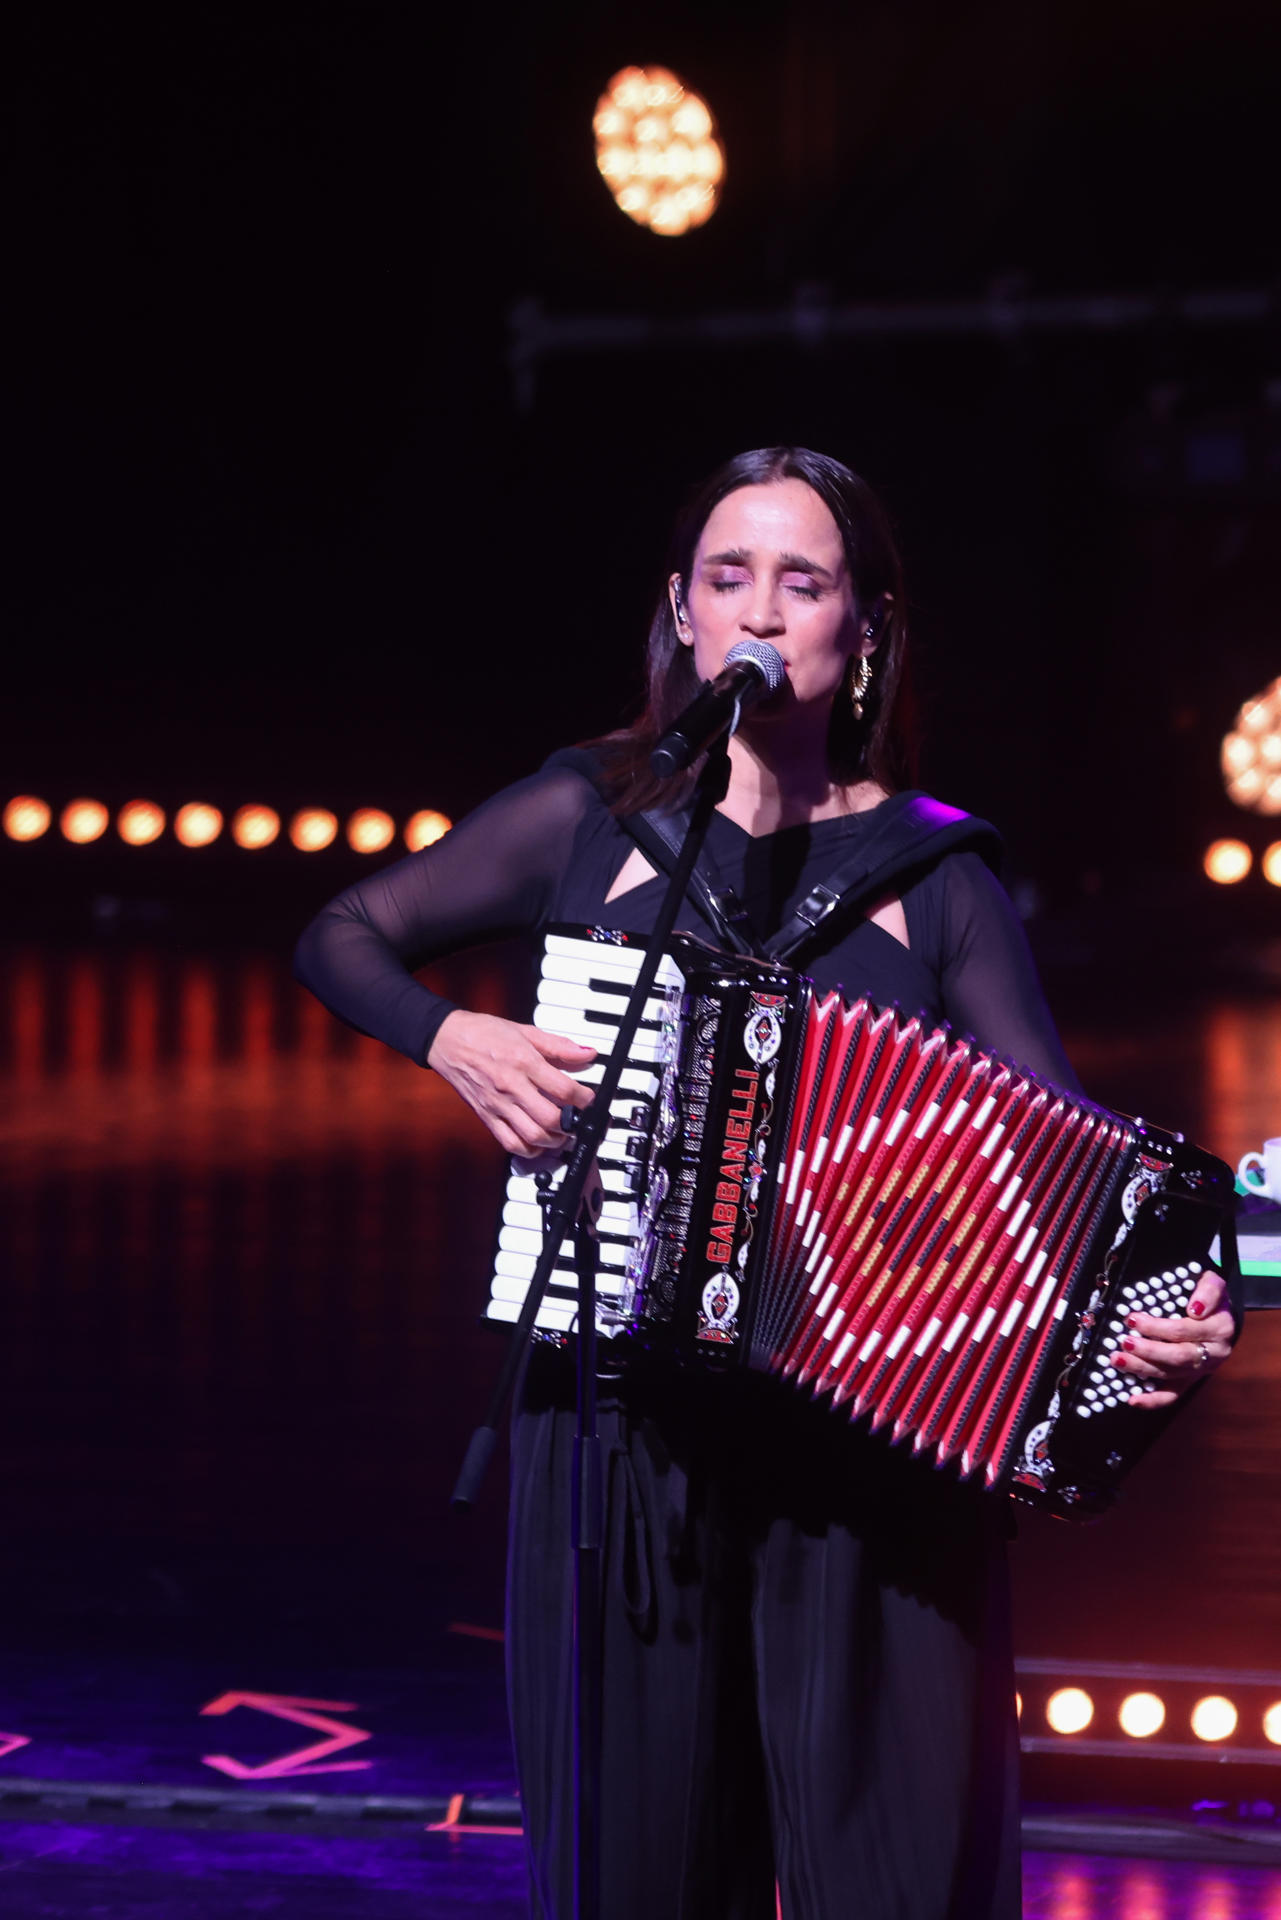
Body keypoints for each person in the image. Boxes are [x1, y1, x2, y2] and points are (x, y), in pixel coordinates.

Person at [294, 447, 1235, 1919]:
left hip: (865, 1471)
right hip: (618, 1435)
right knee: (640, 1878)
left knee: (891, 1883)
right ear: (678, 612)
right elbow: (344, 930)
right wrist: (453, 1035)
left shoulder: (936, 881)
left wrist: (1166, 1308)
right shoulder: (590, 821)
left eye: (800, 583)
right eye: (727, 577)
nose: (758, 610)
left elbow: (1078, 1179)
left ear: (862, 630)